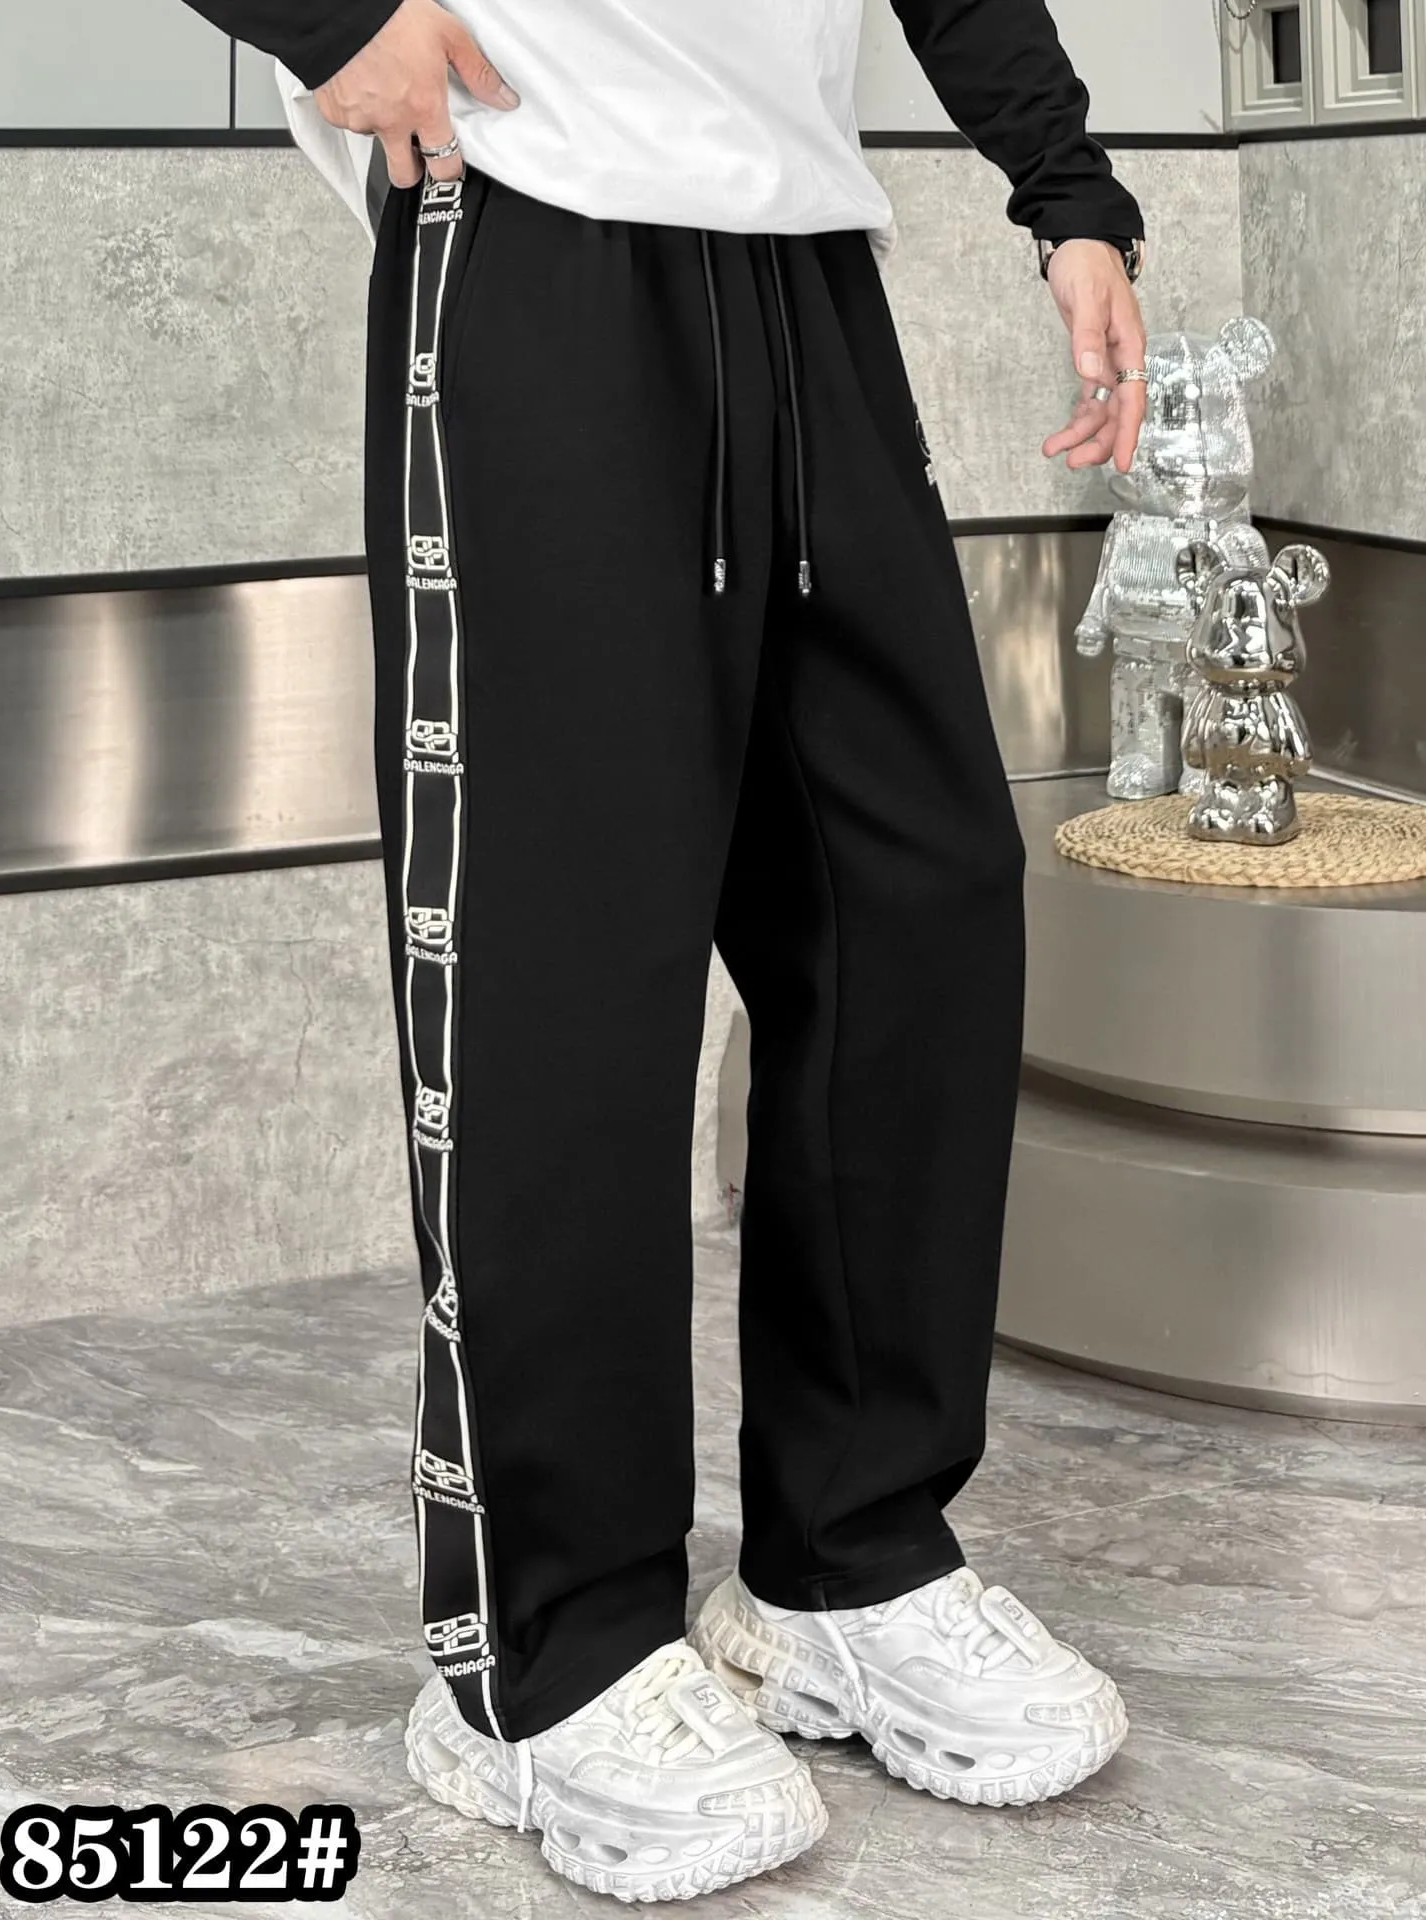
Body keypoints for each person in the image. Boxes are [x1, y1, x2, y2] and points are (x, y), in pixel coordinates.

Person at [182, 0, 1148, 1900]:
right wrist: (328, 19)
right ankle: (542, 1655)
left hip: (801, 262)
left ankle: (849, 1562)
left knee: (912, 908)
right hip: (537, 218)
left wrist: (1068, 189)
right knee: (568, 973)